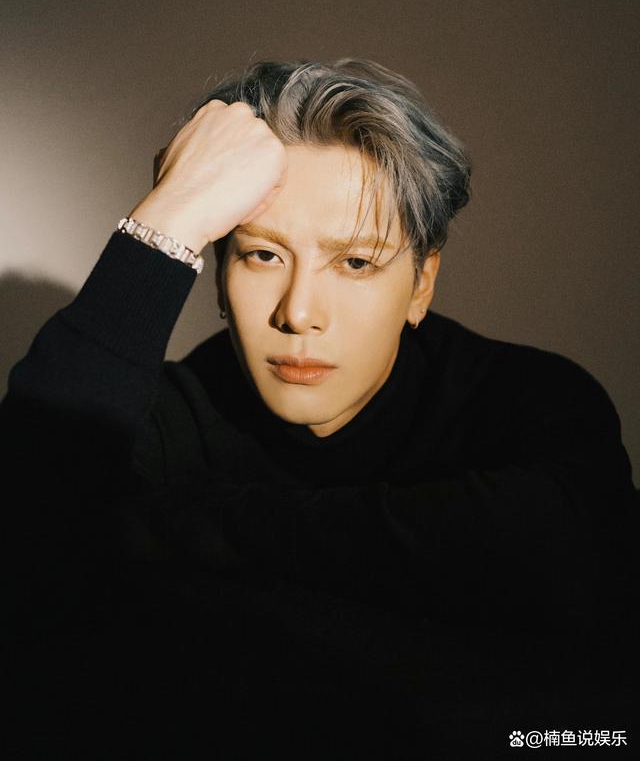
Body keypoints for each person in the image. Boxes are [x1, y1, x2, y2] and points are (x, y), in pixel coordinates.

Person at [2, 58, 638, 760]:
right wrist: (167, 218)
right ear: (217, 272)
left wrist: (178, 530)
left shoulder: (530, 404)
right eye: (262, 256)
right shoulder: (167, 415)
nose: (299, 312)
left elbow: (566, 561)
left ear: (421, 284)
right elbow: (25, 531)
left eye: (356, 262)